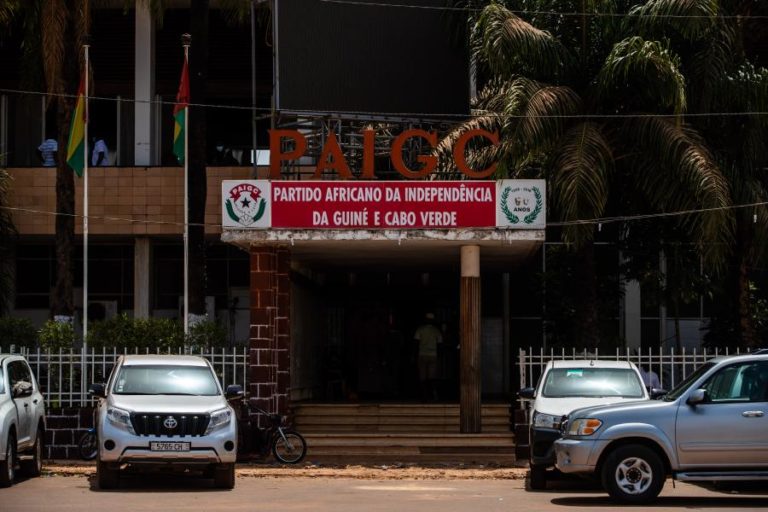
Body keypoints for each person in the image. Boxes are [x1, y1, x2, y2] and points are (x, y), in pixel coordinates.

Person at [413, 312, 443, 401]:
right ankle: (433, 393)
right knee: (432, 376)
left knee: (422, 376)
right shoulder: (436, 331)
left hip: (422, 354)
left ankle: (424, 395)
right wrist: (439, 356)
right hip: (433, 355)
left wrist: (414, 355)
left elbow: (416, 343)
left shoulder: (420, 329)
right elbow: (440, 344)